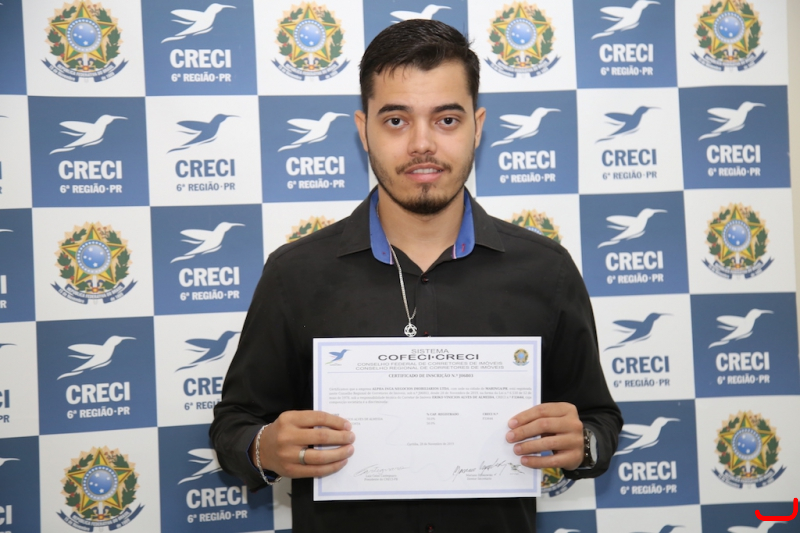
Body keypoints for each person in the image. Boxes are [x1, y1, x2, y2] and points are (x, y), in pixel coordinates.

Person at [211, 19, 622, 533]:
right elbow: (234, 425)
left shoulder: (545, 270)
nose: (422, 144)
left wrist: (583, 442)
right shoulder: (296, 273)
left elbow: (600, 420)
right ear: (363, 129)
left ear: (478, 126)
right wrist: (263, 448)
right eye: (396, 121)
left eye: (446, 119)